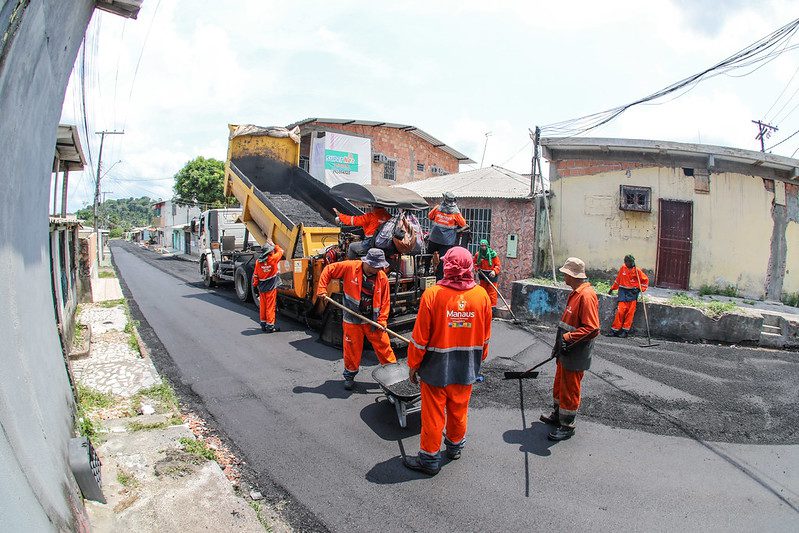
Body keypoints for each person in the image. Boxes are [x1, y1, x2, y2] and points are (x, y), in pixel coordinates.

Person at [404, 247, 492, 475]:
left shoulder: (433, 295)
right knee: (458, 410)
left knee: (433, 415)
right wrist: (477, 361)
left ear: (448, 267)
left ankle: (429, 460)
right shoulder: (481, 295)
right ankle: (454, 447)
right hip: (466, 368)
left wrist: (413, 365)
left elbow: (420, 339)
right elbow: (485, 337)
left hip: (436, 369)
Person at [316, 248, 397, 390]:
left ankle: (394, 374)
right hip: (352, 318)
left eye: (379, 267)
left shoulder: (382, 277)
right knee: (352, 349)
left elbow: (385, 301)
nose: (378, 269)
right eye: (375, 266)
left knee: (384, 347)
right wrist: (322, 289)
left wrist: (382, 320)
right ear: (367, 262)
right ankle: (349, 375)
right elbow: (328, 269)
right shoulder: (350, 267)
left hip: (373, 320)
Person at [540, 257, 600, 442]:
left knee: (570, 388)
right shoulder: (575, 293)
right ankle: (558, 415)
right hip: (566, 350)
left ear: (572, 275)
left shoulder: (586, 296)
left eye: (565, 273)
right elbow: (567, 324)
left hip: (576, 353)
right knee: (559, 384)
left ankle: (567, 425)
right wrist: (558, 345)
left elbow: (592, 328)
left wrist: (567, 338)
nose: (563, 275)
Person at [426, 192, 468, 280]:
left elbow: (430, 216)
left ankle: (426, 271)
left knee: (428, 254)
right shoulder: (455, 212)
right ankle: (439, 278)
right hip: (446, 241)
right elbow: (463, 223)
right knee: (443, 259)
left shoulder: (438, 208)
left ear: (444, 199)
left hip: (434, 238)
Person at [608, 254, 649, 337]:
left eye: (628, 262)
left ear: (632, 262)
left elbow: (645, 281)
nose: (626, 263)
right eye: (625, 262)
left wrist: (639, 289)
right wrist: (612, 289)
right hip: (623, 292)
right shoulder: (623, 268)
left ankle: (625, 331)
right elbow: (618, 280)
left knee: (630, 313)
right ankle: (615, 330)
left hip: (633, 293)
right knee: (620, 311)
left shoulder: (637, 270)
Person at [252, 240, 284, 333]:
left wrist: (255, 285)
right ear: (270, 252)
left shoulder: (258, 262)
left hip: (262, 287)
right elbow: (281, 251)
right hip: (271, 287)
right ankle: (270, 326)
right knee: (270, 307)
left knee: (263, 306)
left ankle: (263, 324)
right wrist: (274, 245)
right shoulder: (273, 259)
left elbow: (256, 275)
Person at [473, 238, 501, 308]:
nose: (483, 247)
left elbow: (498, 265)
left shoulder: (493, 254)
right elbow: (475, 263)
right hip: (482, 274)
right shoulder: (478, 255)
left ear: (487, 246)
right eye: (482, 246)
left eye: (484, 246)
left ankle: (492, 307)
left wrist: (494, 271)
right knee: (483, 290)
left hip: (492, 274)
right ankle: (483, 305)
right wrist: (477, 269)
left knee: (492, 291)